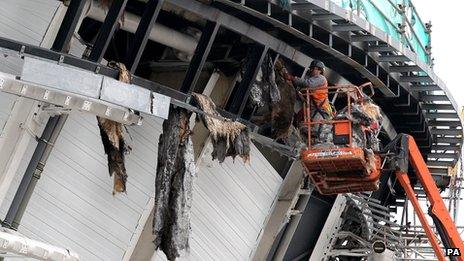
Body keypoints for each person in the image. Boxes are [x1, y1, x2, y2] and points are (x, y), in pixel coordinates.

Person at [287, 60, 333, 144]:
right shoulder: (314, 79)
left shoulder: (321, 78)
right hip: (313, 109)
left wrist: (293, 78)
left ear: (320, 70)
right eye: (311, 68)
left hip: (320, 111)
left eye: (313, 68)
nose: (311, 70)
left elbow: (308, 84)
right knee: (303, 127)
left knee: (315, 131)